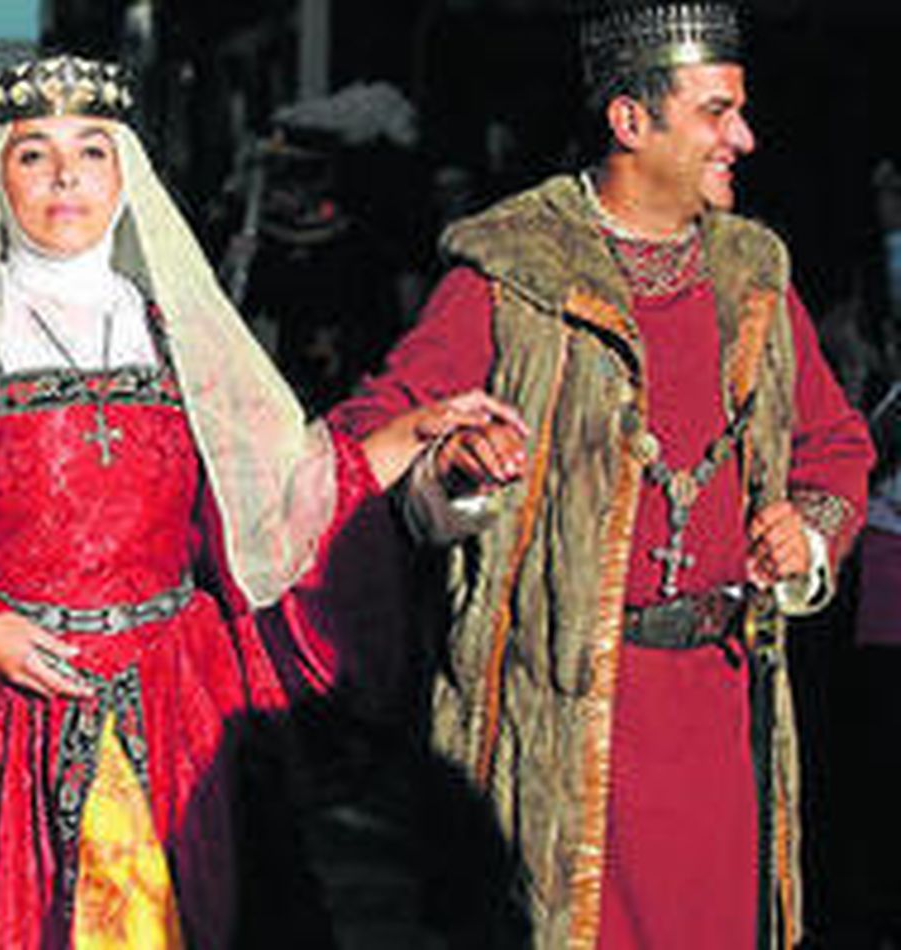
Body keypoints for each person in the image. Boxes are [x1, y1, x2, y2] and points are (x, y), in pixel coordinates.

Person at [0, 54, 516, 947]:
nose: (66, 176)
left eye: (93, 150)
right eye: (33, 153)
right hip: (4, 719)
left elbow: (274, 501)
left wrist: (410, 435)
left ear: (126, 173)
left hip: (173, 698)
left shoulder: (172, 334)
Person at [329, 3, 873, 947]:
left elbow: (834, 448)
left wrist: (808, 531)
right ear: (631, 121)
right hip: (561, 722)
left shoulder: (754, 274)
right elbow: (374, 435)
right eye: (715, 112)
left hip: (723, 716)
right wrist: (454, 470)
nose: (742, 137)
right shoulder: (512, 273)